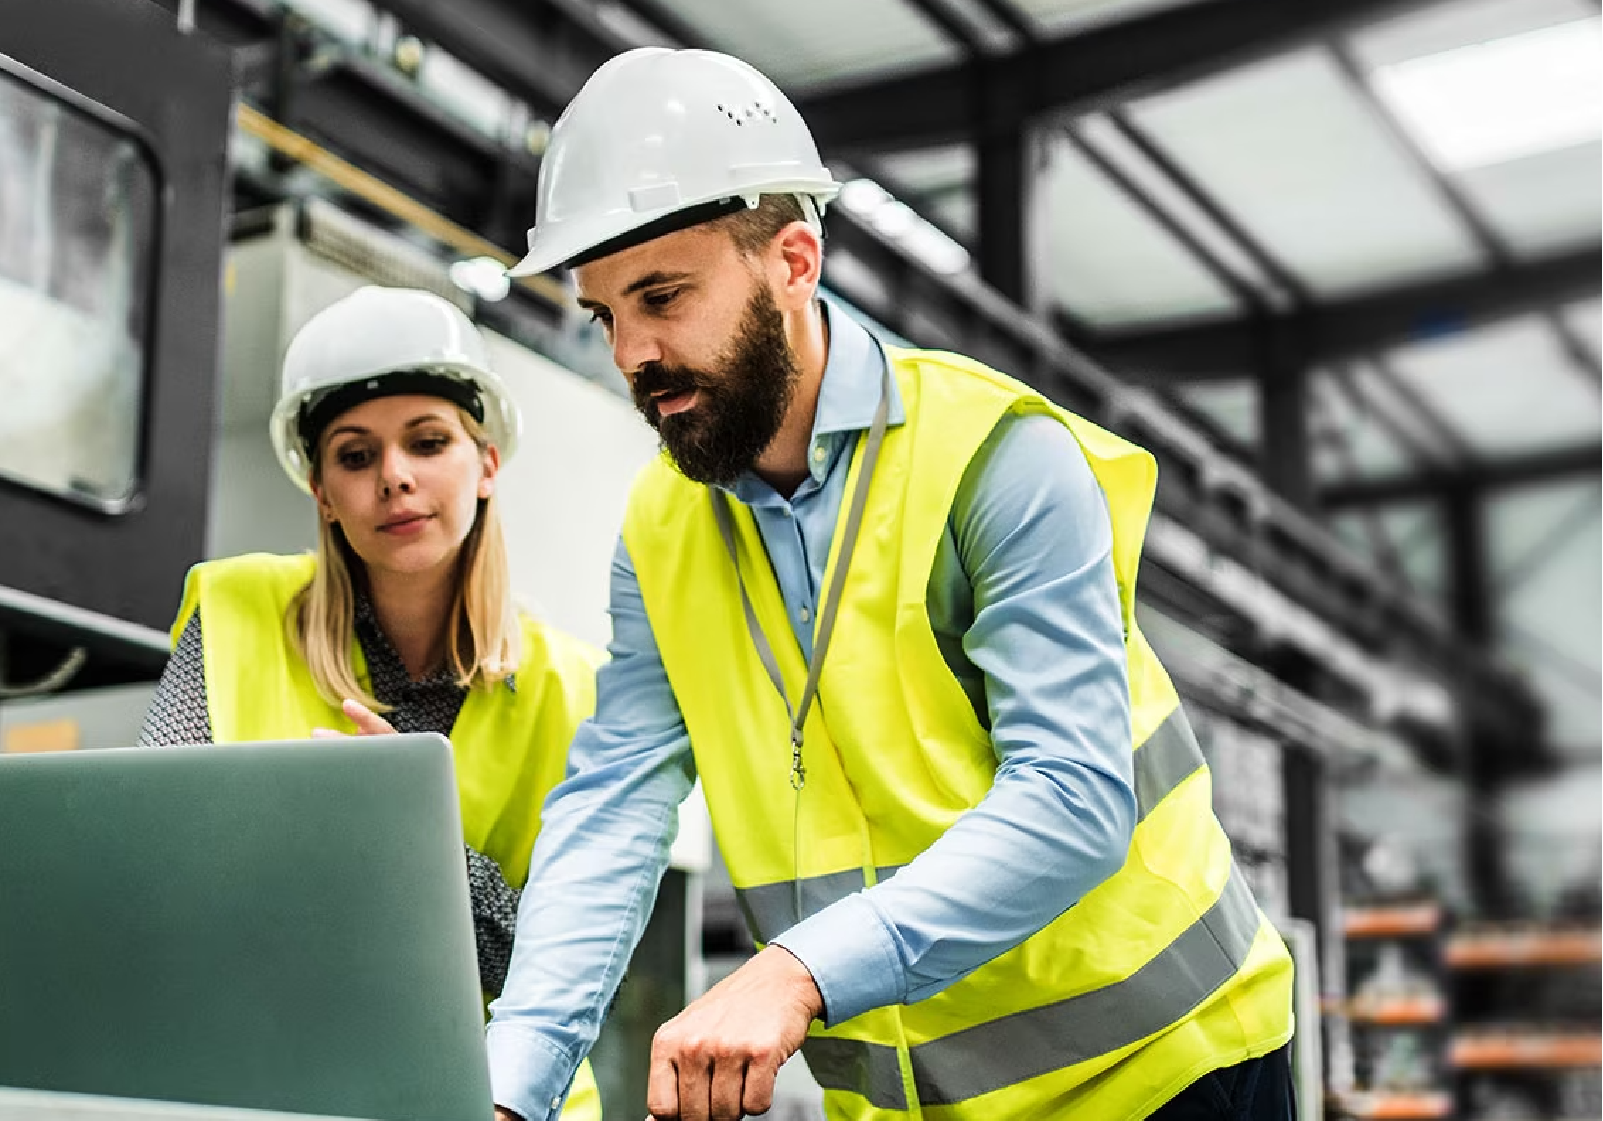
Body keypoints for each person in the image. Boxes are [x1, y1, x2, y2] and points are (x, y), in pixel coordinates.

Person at [483, 48, 1297, 1121]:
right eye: (603, 315)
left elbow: (1074, 795)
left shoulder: (995, 458)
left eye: (663, 296)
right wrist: (509, 1085)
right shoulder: (661, 530)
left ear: (794, 260)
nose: (633, 351)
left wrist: (792, 972)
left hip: (1166, 1076)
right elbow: (612, 806)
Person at [137, 285, 604, 1121]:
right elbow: (154, 856)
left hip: (498, 1098)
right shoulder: (235, 611)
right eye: (355, 456)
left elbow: (561, 961)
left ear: (486, 462)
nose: (395, 477)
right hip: (272, 1083)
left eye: (428, 442)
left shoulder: (573, 687)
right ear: (322, 492)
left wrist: (405, 832)